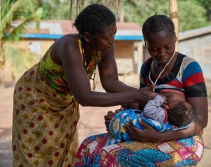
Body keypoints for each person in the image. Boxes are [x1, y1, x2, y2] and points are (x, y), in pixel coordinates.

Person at [12, 4, 154, 167]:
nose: (112, 40)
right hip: (35, 99)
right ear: (87, 36)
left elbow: (111, 82)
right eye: (107, 37)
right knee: (37, 153)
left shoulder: (106, 46)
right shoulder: (69, 46)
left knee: (63, 150)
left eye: (114, 34)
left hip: (64, 103)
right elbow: (85, 97)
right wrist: (136, 96)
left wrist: (148, 95)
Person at [75, 14, 208, 166]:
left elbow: (200, 120)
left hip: (183, 141)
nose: (162, 53)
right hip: (149, 133)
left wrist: (160, 137)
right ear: (146, 43)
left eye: (168, 47)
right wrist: (119, 118)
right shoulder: (147, 68)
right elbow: (140, 105)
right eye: (154, 48)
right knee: (88, 146)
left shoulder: (189, 68)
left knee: (108, 155)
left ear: (175, 39)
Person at [107, 89, 195, 145]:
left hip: (128, 126)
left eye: (178, 102)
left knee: (123, 118)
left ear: (168, 107)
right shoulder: (168, 122)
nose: (177, 100)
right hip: (133, 129)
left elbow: (148, 110)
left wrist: (158, 99)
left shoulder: (160, 115)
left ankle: (114, 123)